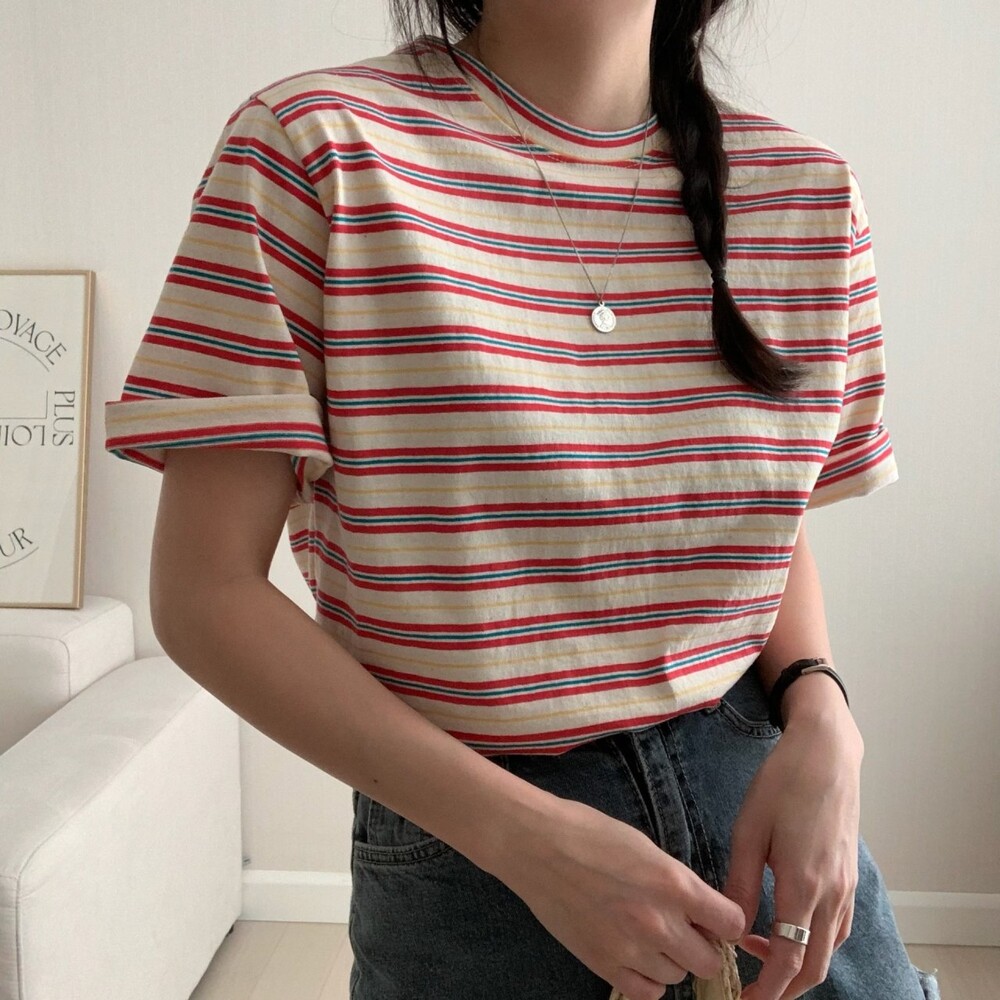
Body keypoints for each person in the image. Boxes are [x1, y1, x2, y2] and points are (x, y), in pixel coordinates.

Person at [103, 2, 942, 999]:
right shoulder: (313, 149)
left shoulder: (804, 191)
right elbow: (205, 595)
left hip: (767, 807)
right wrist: (518, 836)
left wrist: (822, 711)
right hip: (474, 850)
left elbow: (748, 516)